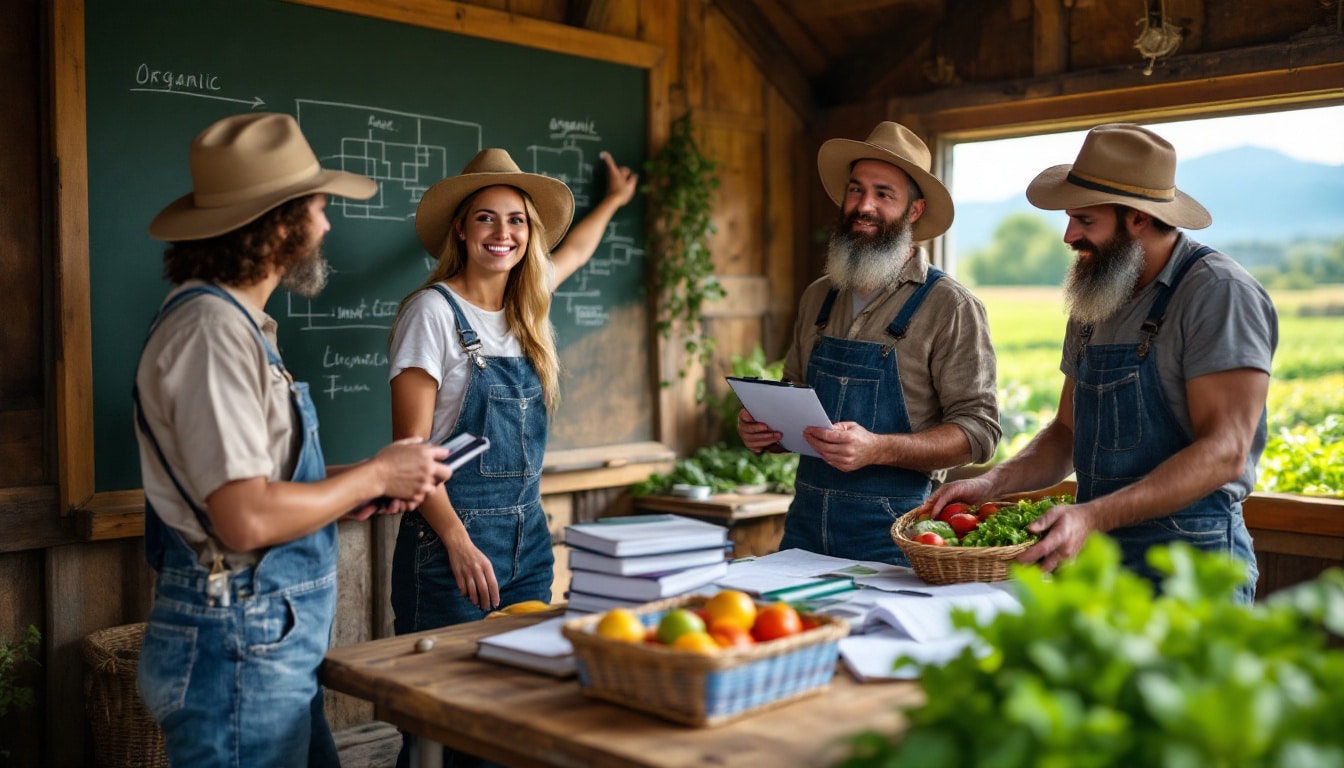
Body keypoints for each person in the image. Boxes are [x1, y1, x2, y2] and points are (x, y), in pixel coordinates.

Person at [133, 112, 455, 767]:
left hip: (261, 642)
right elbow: (245, 517)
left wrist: (349, 489)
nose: (328, 226)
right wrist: (373, 477)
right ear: (279, 223)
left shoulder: (240, 325)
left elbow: (260, 488)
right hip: (237, 645)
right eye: (319, 208)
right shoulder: (210, 334)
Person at [925, 123, 1277, 603]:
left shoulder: (1218, 294)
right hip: (1096, 563)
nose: (1069, 235)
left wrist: (1091, 515)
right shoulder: (1098, 293)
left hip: (1193, 570)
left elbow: (1225, 450)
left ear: (1137, 218)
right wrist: (992, 482)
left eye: (1085, 221)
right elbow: (1066, 434)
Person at [386, 147, 635, 765]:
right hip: (449, 551)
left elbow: (575, 251)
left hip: (529, 549)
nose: (504, 234)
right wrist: (457, 541)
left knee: (516, 717)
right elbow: (410, 453)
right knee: (441, 730)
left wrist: (613, 202)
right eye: (486, 219)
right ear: (462, 232)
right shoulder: (432, 313)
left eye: (518, 220)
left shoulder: (528, 306)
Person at [738, 121, 1000, 566]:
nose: (864, 206)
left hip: (896, 536)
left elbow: (980, 432)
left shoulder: (951, 307)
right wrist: (767, 431)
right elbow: (795, 391)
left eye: (884, 194)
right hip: (803, 529)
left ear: (914, 212)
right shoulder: (819, 295)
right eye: (856, 190)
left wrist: (879, 448)